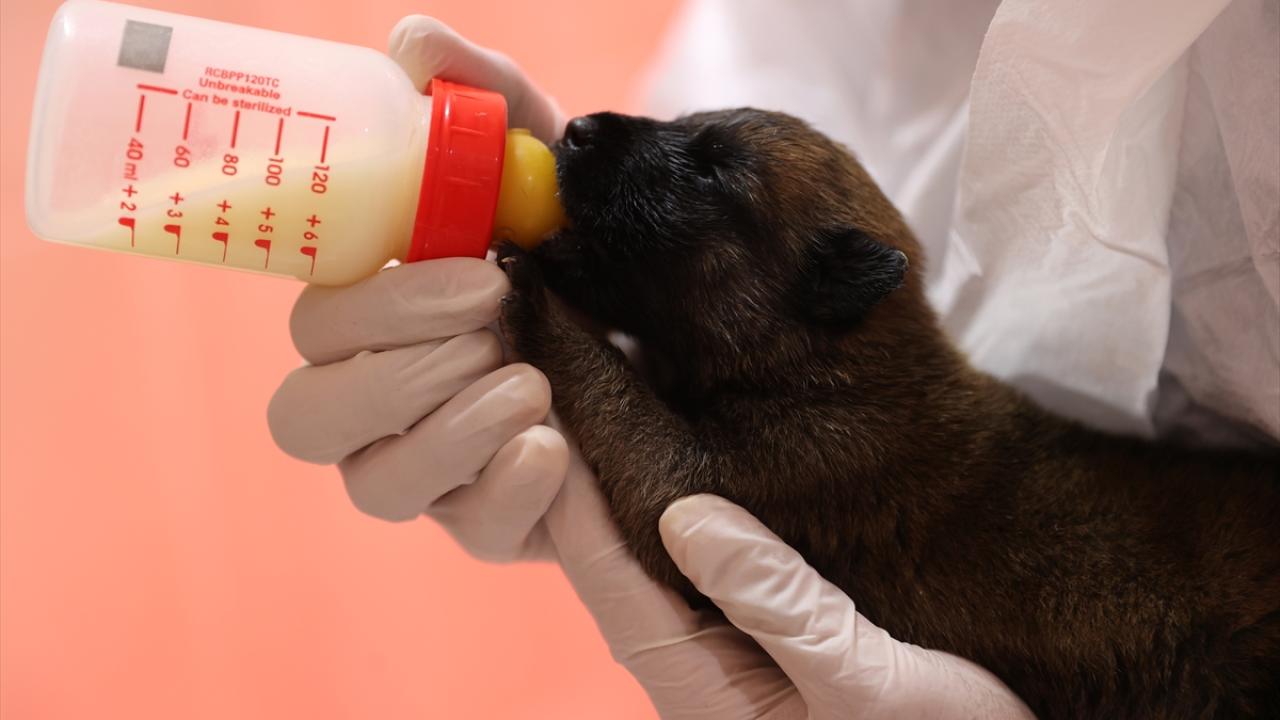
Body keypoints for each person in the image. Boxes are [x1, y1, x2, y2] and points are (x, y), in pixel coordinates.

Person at [269, 2, 1278, 716]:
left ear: (831, 292)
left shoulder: (853, 445)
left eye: (708, 172)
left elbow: (680, 499)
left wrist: (531, 305)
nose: (597, 133)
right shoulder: (824, 361)